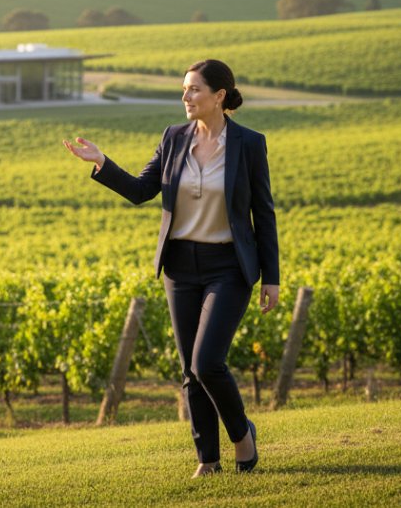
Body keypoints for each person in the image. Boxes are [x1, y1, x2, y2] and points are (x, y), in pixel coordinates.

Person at [63, 59, 279, 477]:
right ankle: (208, 460)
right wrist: (102, 162)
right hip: (180, 266)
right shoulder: (173, 138)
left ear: (219, 96)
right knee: (190, 371)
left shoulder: (250, 144)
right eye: (183, 89)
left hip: (228, 267)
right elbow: (143, 190)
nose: (185, 97)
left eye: (194, 89)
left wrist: (271, 276)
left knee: (207, 361)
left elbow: (262, 212)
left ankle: (242, 436)